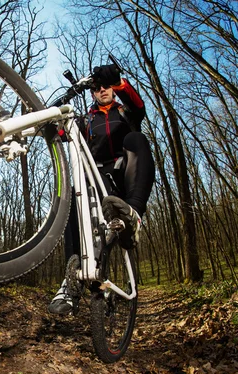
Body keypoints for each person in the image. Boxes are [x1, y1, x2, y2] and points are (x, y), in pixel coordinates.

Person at [48, 63, 156, 315]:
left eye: (106, 86)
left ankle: (134, 216)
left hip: (127, 174)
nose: (103, 90)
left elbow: (139, 106)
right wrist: (57, 106)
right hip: (99, 179)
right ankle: (72, 280)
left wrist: (117, 80)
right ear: (93, 93)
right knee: (77, 198)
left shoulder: (126, 111)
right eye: (97, 88)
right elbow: (58, 129)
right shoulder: (86, 120)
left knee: (136, 138)